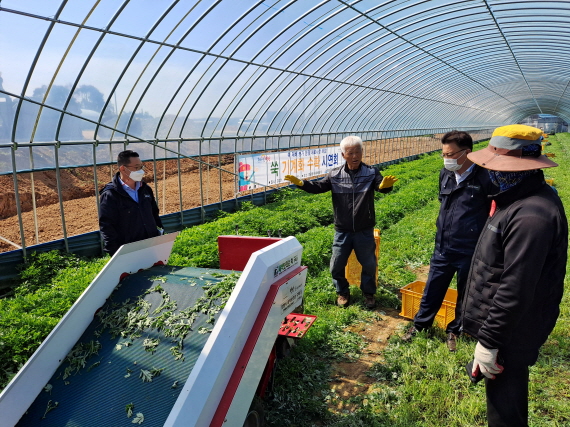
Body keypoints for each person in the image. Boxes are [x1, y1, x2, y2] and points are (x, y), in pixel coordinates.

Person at [461, 124, 567, 426]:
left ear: (522, 169)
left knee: (506, 414)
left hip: (512, 332)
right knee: (504, 403)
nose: (492, 174)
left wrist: (490, 341)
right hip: (509, 327)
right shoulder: (519, 199)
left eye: (499, 167)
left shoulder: (532, 216)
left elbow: (515, 287)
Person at [403, 131, 497, 351]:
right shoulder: (445, 173)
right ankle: (420, 325)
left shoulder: (485, 178)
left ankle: (455, 330)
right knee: (433, 289)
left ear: (467, 153)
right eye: (444, 154)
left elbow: (493, 212)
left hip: (470, 249)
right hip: (444, 246)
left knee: (466, 293)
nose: (447, 159)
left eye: (451, 154)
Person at [284, 136, 397, 309]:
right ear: (343, 155)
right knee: (336, 264)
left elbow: (379, 186)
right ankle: (342, 292)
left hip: (364, 229)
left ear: (362, 152)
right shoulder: (335, 174)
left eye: (358, 151)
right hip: (342, 230)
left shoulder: (371, 172)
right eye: (350, 152)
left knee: (368, 263)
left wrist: (384, 186)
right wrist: (302, 184)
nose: (355, 156)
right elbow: (319, 187)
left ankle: (368, 293)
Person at [99, 150, 163, 256]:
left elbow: (154, 213)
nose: (141, 171)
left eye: (141, 167)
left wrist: (159, 233)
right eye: (136, 167)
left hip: (152, 245)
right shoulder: (110, 195)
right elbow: (107, 226)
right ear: (123, 168)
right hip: (129, 251)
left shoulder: (145, 189)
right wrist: (115, 252)